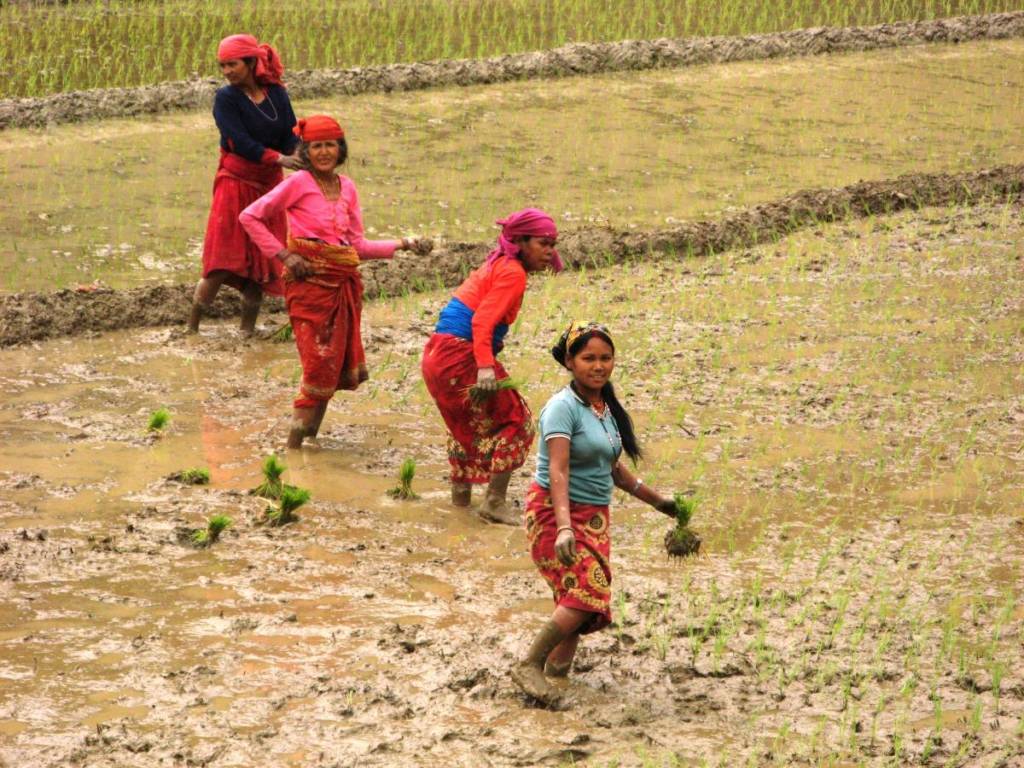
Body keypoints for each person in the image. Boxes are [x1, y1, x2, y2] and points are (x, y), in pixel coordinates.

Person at [510, 322, 681, 705]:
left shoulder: (605, 409)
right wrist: (565, 528)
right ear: (570, 361)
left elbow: (613, 469)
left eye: (606, 358)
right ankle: (529, 665)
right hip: (555, 514)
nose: (598, 366)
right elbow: (559, 470)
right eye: (589, 358)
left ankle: (556, 677)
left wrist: (658, 502)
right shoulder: (561, 408)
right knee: (587, 594)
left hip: (595, 516)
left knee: (576, 601)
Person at [239, 114, 431, 448]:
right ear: (305, 150)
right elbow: (250, 216)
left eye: (330, 145)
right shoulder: (297, 183)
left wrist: (402, 244)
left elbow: (356, 246)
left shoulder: (348, 188)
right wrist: (284, 255)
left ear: (340, 149)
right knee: (316, 364)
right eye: (317, 146)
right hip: (309, 285)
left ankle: (309, 440)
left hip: (341, 283)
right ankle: (293, 448)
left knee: (334, 363)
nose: (324, 152)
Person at [421, 209, 563, 524]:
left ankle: (461, 502)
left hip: (437, 355)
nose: (550, 251)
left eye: (553, 244)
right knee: (517, 421)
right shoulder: (513, 272)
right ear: (521, 241)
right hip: (461, 353)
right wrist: (485, 367)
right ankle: (494, 503)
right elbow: (482, 320)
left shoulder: (497, 263)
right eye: (543, 243)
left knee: (465, 425)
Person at [188, 34, 302, 336]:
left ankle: (246, 331)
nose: (227, 71)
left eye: (232, 64)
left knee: (263, 259)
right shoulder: (226, 99)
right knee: (223, 258)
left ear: (251, 63)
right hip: (236, 182)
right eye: (222, 66)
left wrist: (298, 151)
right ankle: (192, 327)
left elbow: (290, 132)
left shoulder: (277, 93)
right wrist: (278, 158)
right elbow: (239, 141)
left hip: (268, 184)